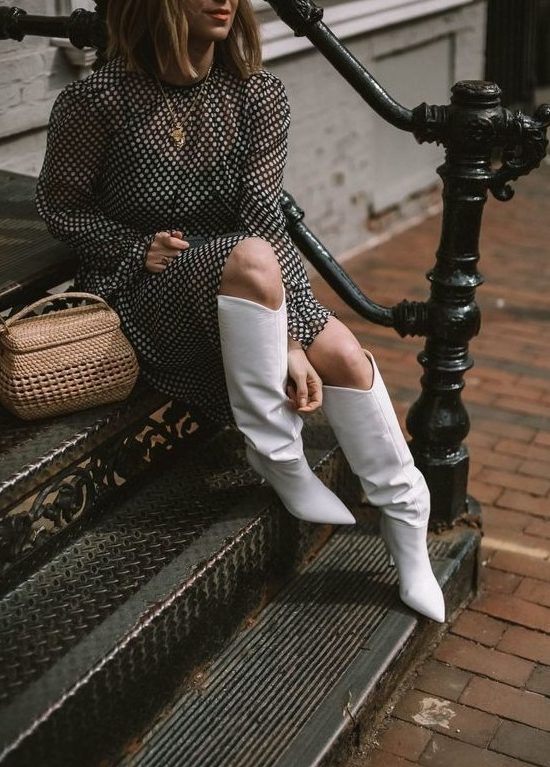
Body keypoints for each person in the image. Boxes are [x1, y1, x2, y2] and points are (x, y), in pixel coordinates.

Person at [35, 0, 444, 623]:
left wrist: (289, 338)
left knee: (344, 357)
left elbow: (264, 220)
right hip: (150, 288)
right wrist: (132, 245)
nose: (225, 0)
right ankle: (280, 455)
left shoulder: (257, 95)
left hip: (250, 281)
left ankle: (406, 523)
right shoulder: (97, 100)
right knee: (254, 261)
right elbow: (60, 206)